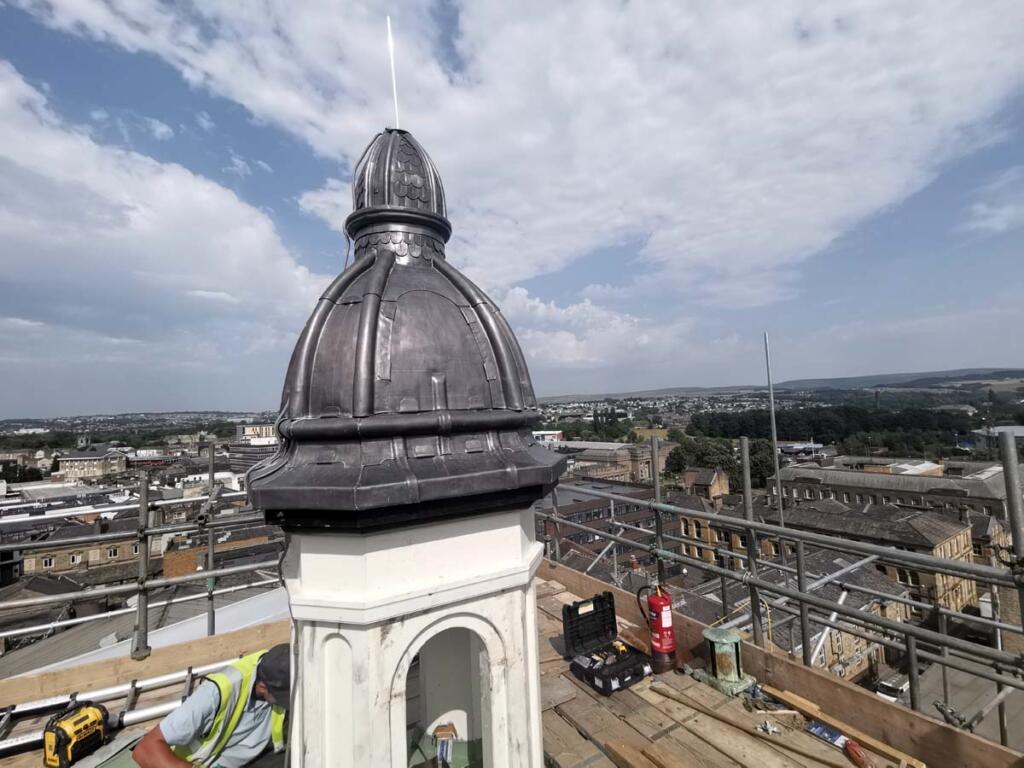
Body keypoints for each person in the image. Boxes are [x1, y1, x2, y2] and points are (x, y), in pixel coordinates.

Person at [133, 644, 290, 768]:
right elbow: (145, 750)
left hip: (248, 758)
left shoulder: (281, 665)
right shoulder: (215, 693)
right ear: (262, 687)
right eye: (281, 697)